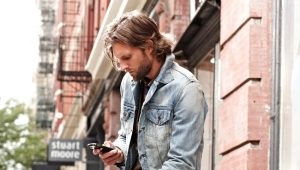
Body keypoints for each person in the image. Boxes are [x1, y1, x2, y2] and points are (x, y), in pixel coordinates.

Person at [93, 11, 208, 170]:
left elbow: (182, 163)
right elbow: (127, 136)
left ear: (148, 47)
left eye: (127, 57)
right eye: (119, 61)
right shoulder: (128, 82)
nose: (123, 67)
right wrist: (118, 152)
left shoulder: (186, 89)